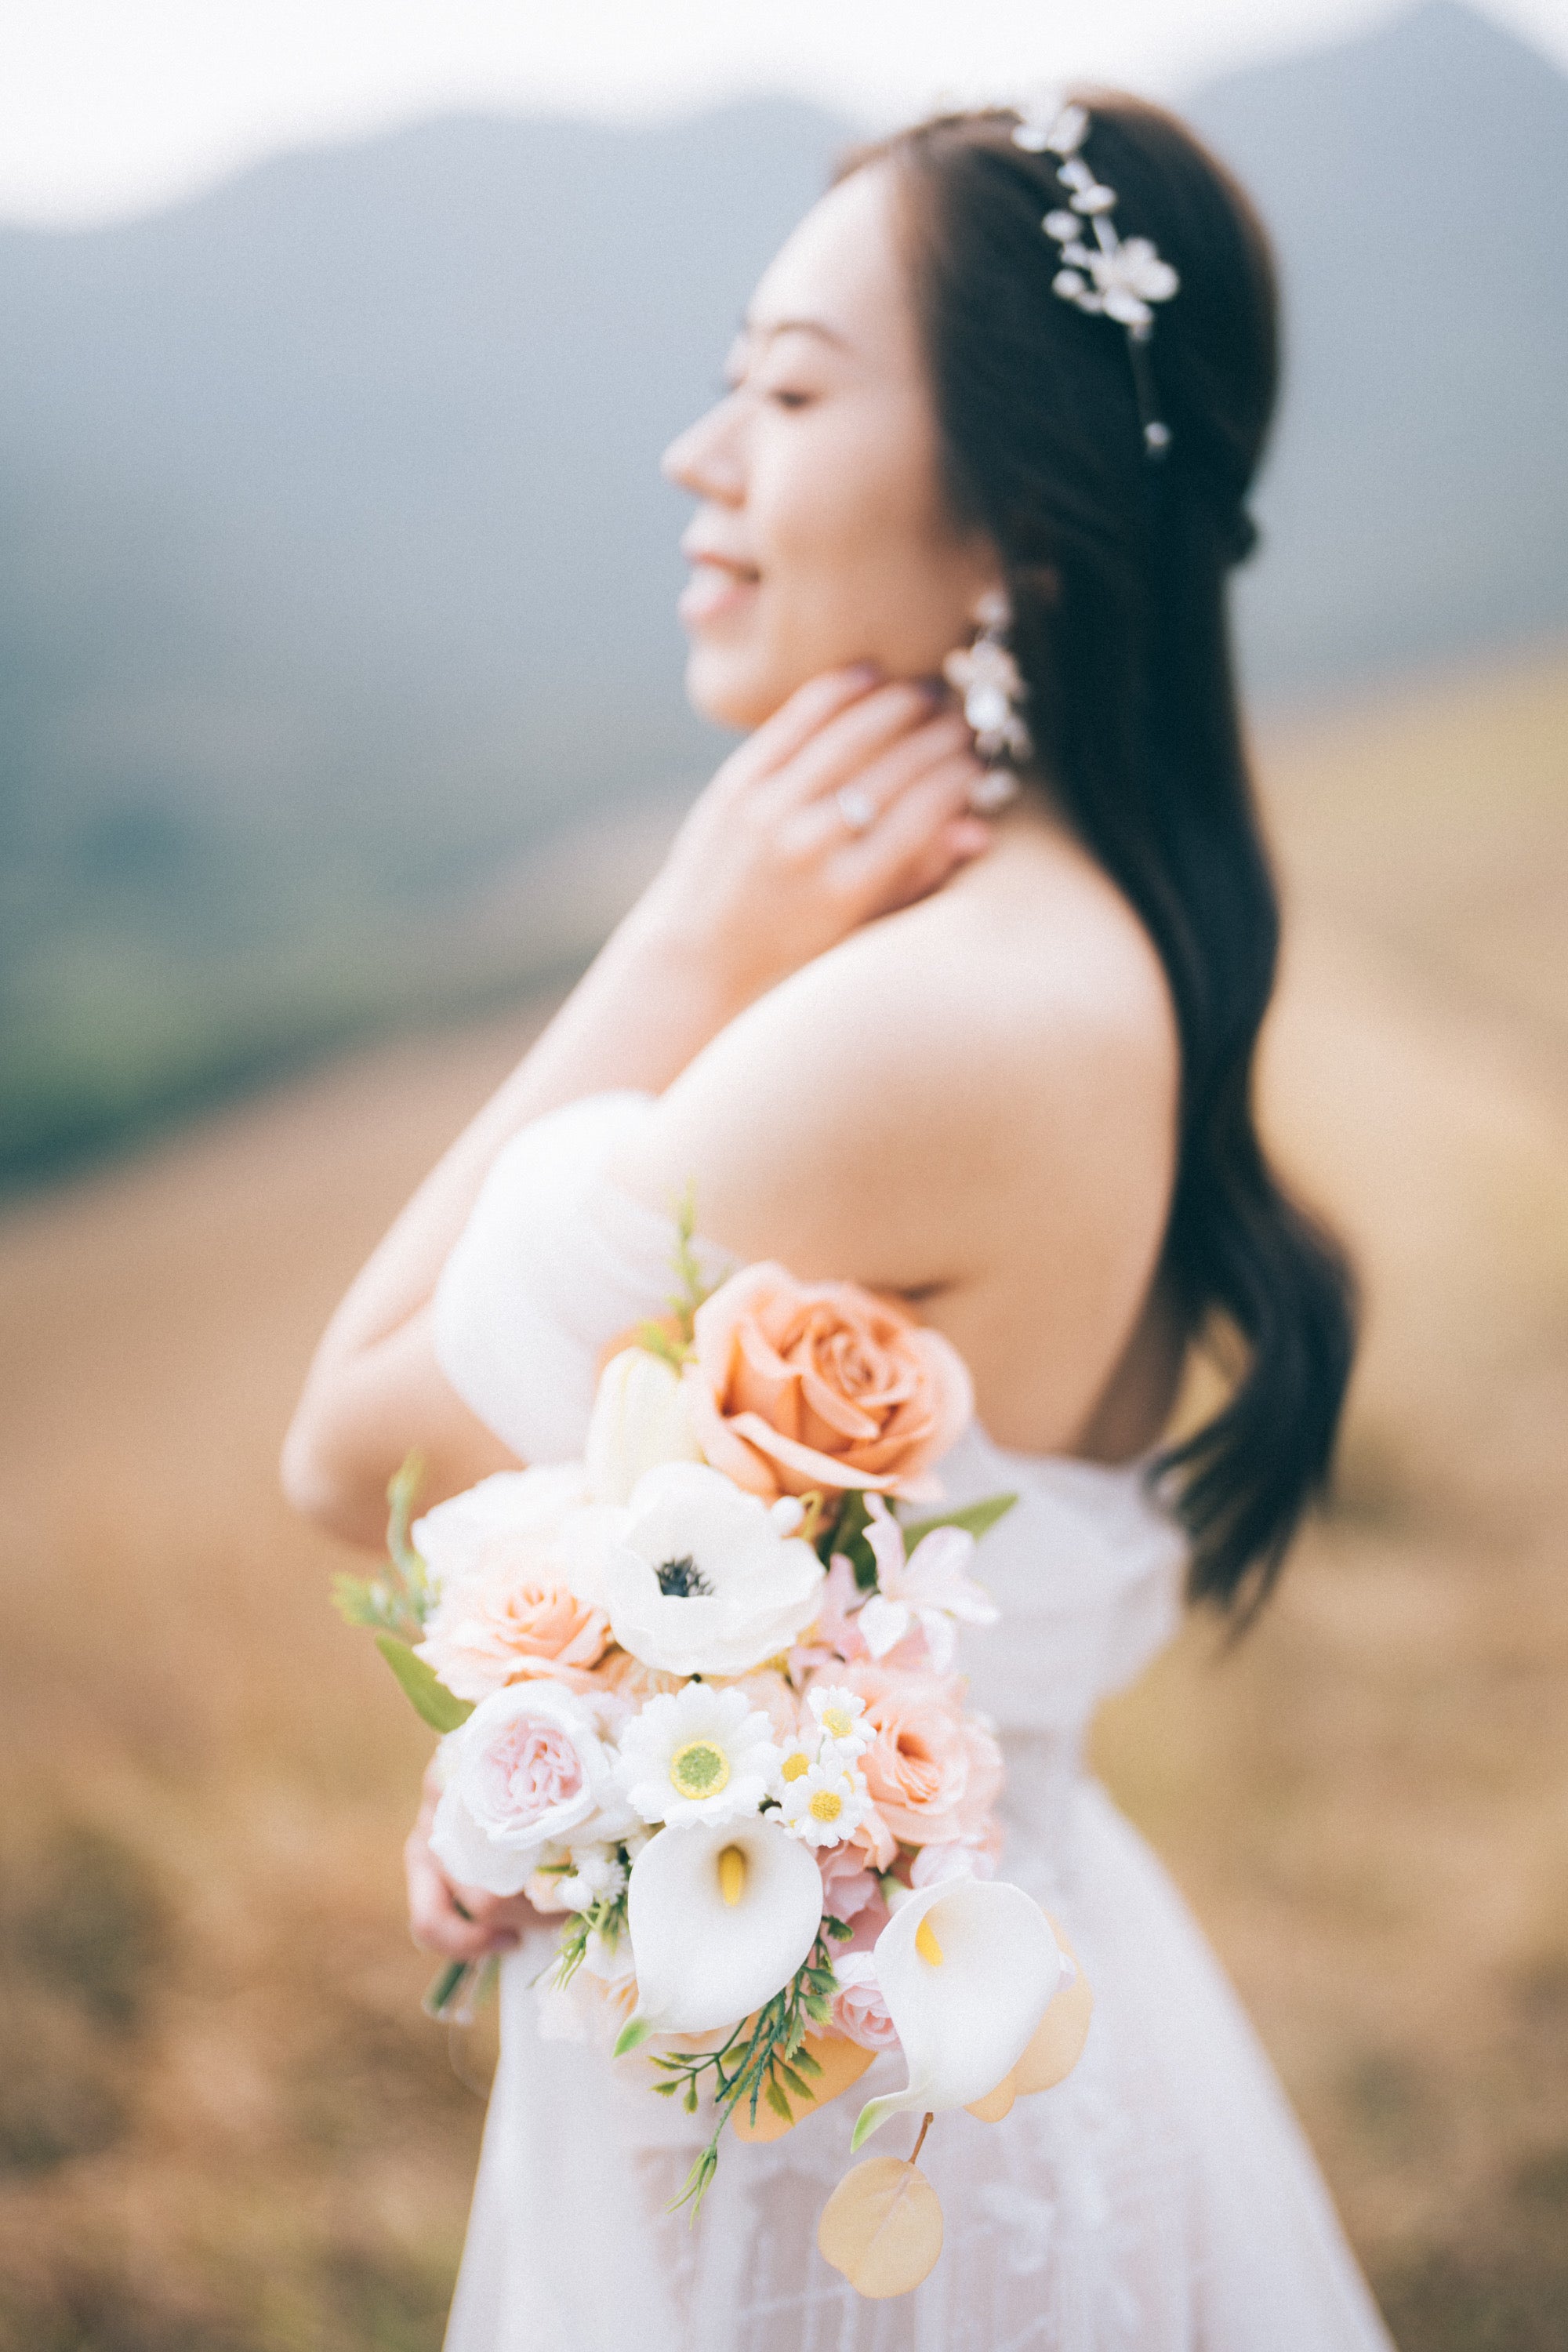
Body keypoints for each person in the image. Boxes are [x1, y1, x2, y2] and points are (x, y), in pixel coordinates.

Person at [284, 93, 1393, 2352]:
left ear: (1031, 521)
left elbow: (344, 1450)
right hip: (989, 2042)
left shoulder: (927, 1024)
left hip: (849, 2158)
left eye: (789, 392)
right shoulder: (1105, 948)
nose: (701, 458)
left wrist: (681, 940)